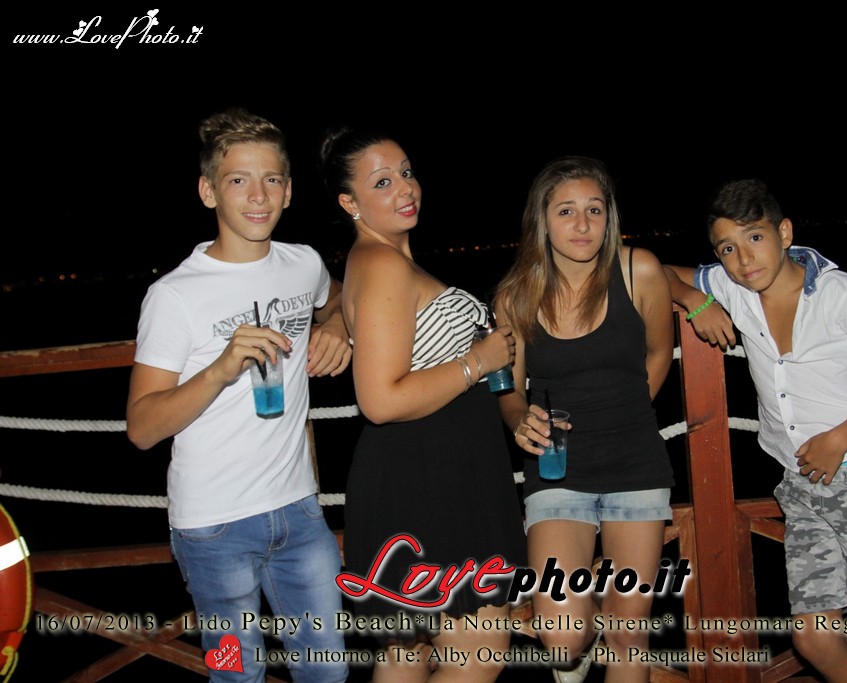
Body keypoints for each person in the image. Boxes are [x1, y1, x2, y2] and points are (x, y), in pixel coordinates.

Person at [127, 108, 351, 683]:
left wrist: (335, 326)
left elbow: (337, 298)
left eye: (271, 179)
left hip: (301, 512)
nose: (258, 196)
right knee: (235, 676)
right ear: (208, 192)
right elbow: (143, 427)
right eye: (237, 180)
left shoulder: (302, 263)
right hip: (214, 526)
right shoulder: (174, 295)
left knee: (328, 672)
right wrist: (221, 369)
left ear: (289, 191)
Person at [664, 179, 847, 683]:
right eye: (727, 248)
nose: (744, 259)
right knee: (813, 638)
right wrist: (695, 300)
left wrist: (838, 439)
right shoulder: (732, 288)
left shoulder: (840, 294)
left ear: (784, 232)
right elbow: (647, 268)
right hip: (799, 483)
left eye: (755, 238)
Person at [320, 128, 526, 683]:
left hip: (436, 477)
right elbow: (380, 399)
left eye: (406, 173)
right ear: (349, 203)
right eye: (382, 182)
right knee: (479, 653)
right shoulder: (382, 265)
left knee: (406, 659)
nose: (404, 188)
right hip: (428, 486)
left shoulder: (380, 261)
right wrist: (477, 362)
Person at [494, 156, 675, 683]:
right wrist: (519, 420)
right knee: (561, 637)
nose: (582, 224)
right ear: (542, 220)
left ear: (609, 217)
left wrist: (629, 411)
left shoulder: (639, 270)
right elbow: (509, 389)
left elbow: (659, 353)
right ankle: (589, 622)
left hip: (636, 467)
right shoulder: (515, 295)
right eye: (566, 211)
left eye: (594, 210)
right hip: (556, 473)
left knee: (629, 633)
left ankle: (613, 622)